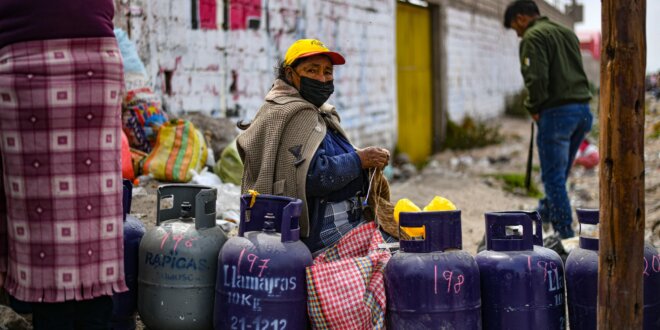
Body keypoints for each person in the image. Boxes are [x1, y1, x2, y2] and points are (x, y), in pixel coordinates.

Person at [0, 1, 127, 328]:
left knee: (40, 218)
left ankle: (52, 314)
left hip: (26, 58)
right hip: (96, 57)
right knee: (92, 210)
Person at [237, 39, 392, 253]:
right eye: (312, 70)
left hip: (342, 218)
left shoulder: (318, 112)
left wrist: (367, 159)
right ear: (290, 74)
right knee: (398, 246)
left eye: (328, 72)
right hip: (320, 230)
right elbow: (313, 176)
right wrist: (360, 160)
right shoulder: (295, 113)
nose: (322, 78)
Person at [504, 0, 593, 238]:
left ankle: (565, 235)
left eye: (516, 28)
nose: (518, 34)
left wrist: (534, 106)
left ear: (521, 18)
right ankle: (541, 215)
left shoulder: (533, 37)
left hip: (557, 114)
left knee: (553, 178)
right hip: (583, 111)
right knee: (560, 173)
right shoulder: (566, 33)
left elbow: (537, 79)